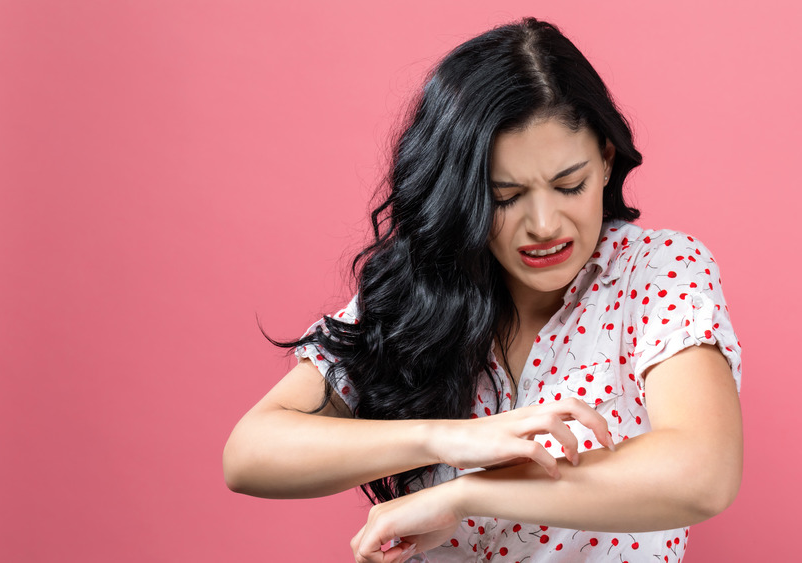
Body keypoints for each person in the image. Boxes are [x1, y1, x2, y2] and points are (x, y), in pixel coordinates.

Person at [223, 17, 743, 563]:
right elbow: (250, 453)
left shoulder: (656, 273)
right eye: (505, 196)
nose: (544, 224)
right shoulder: (421, 294)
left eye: (570, 185)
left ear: (607, 160)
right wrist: (445, 439)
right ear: (460, 194)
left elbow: (702, 473)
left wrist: (465, 495)